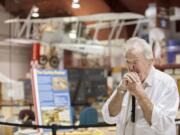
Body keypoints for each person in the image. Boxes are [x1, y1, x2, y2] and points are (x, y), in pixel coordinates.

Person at [102, 37, 179, 135]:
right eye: (128, 62)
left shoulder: (166, 84)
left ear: (149, 61)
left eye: (135, 62)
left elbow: (163, 125)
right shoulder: (125, 82)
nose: (131, 67)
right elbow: (108, 117)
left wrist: (140, 95)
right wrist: (120, 92)